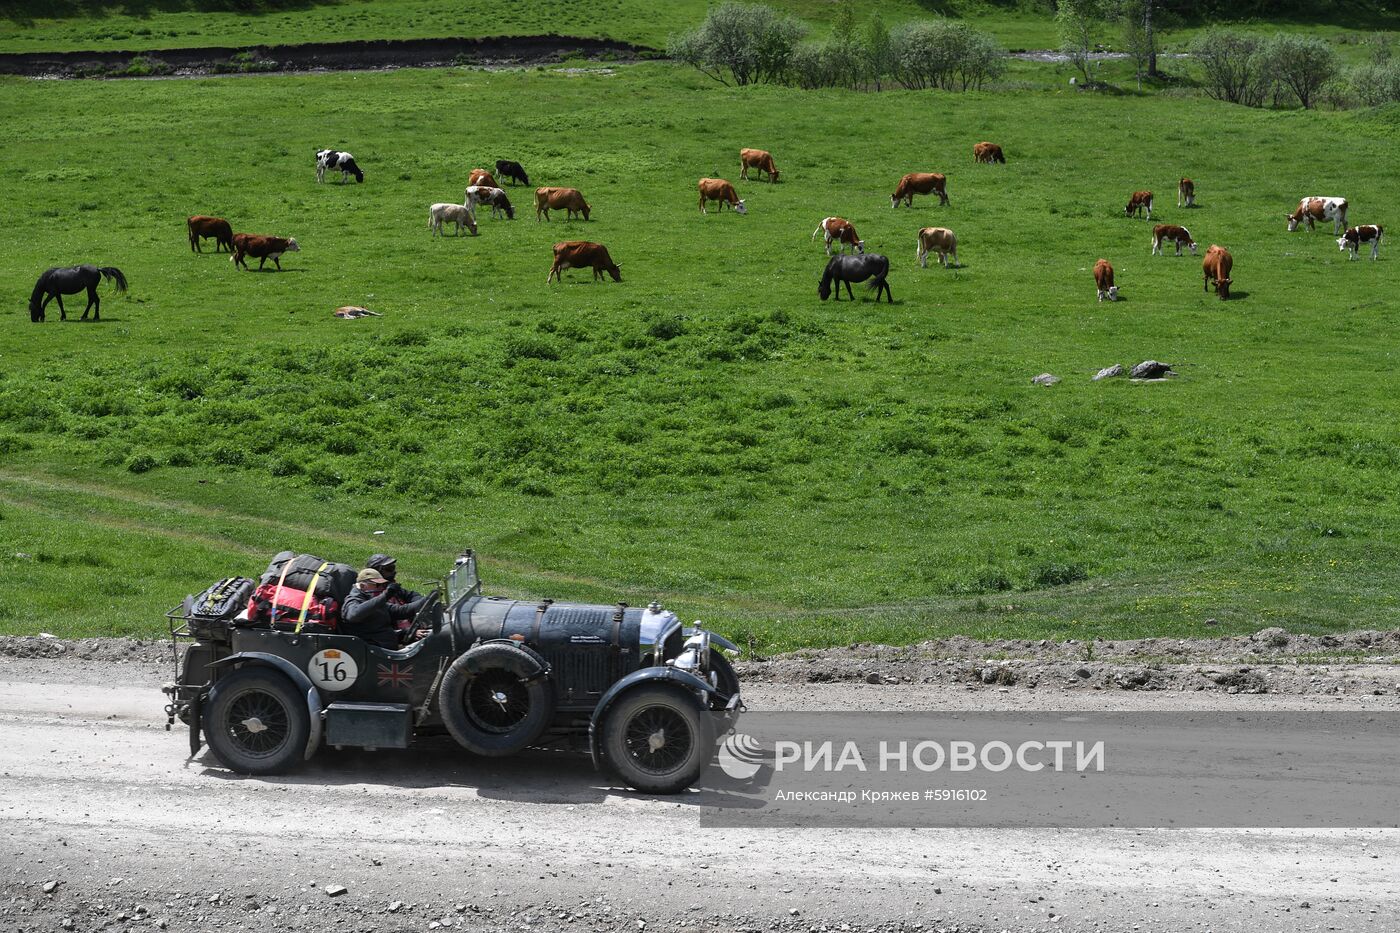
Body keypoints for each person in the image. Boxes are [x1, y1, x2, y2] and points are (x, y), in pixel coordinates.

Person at [341, 567, 427, 649]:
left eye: (383, 584)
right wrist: (385, 596)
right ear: (363, 586)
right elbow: (353, 615)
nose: (382, 588)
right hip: (372, 653)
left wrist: (427, 600)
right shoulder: (352, 600)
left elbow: (401, 611)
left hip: (387, 648)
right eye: (378, 585)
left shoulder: (374, 600)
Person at [365, 554, 426, 640]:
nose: (394, 572)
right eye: (390, 569)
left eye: (393, 567)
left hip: (413, 631)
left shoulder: (392, 588)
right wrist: (426, 600)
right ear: (378, 572)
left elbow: (412, 595)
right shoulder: (374, 597)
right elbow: (399, 611)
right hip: (398, 640)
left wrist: (423, 602)